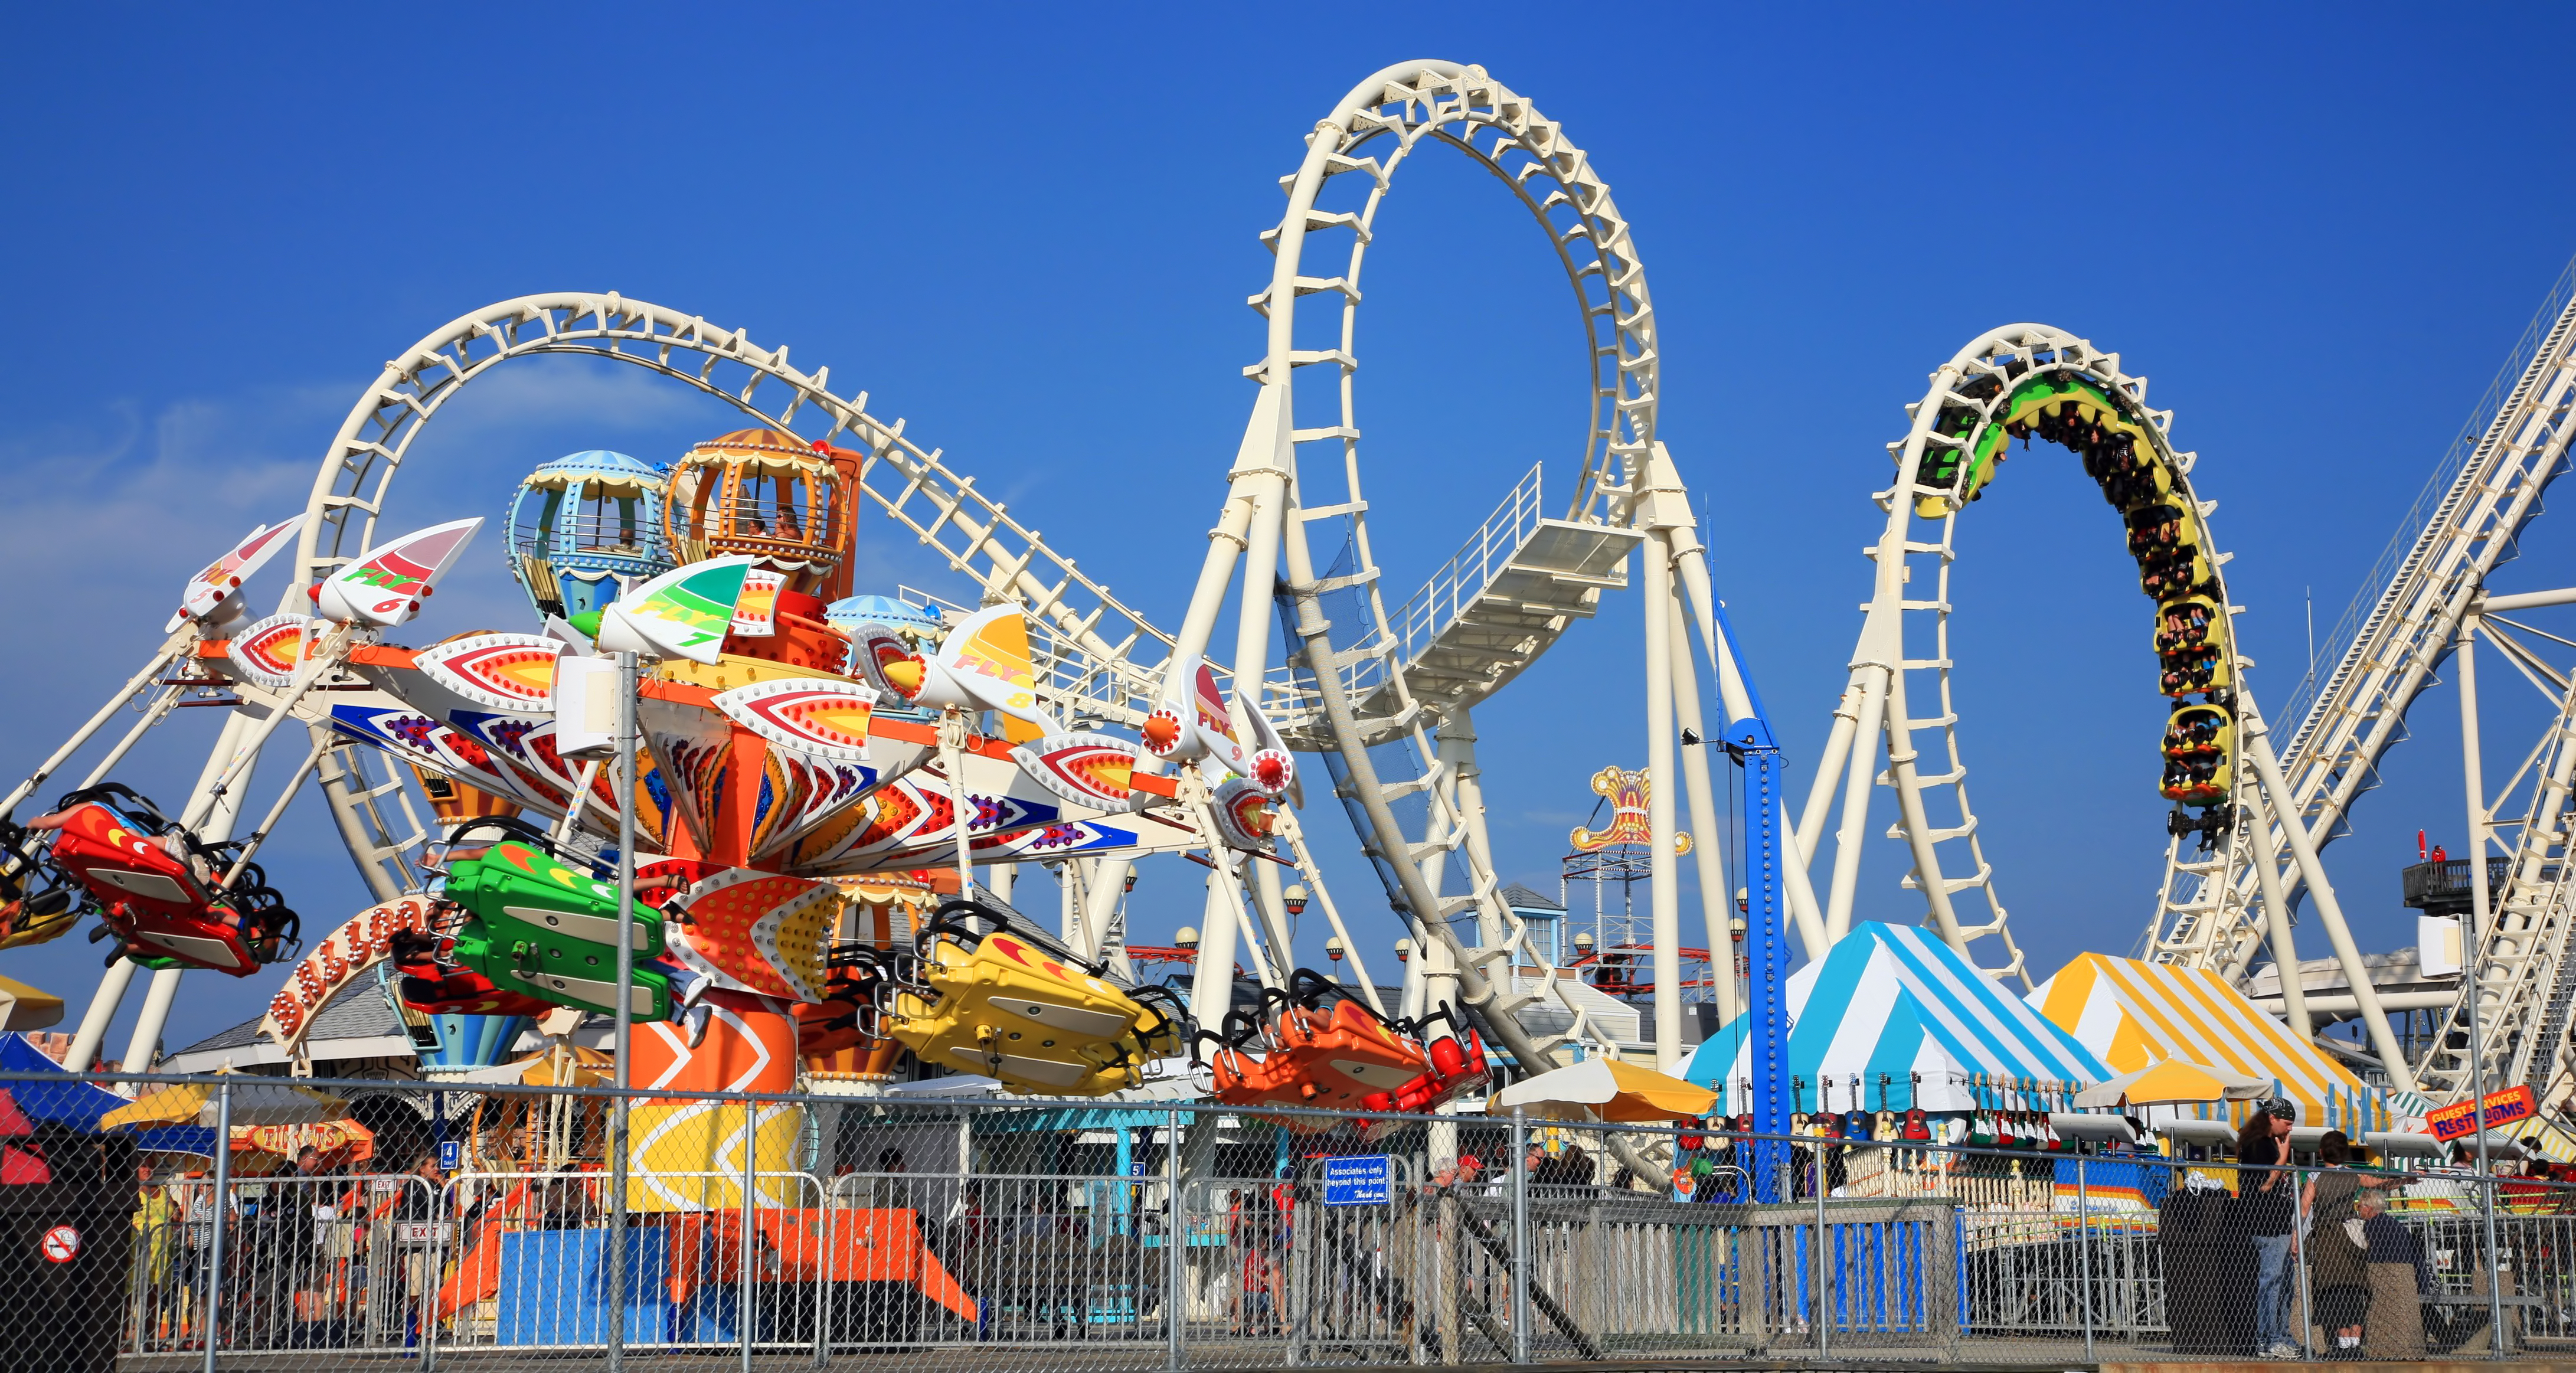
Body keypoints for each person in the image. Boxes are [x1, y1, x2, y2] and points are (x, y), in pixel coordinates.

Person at [2235, 1099, 2300, 1358]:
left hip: (2280, 1223)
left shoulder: (2268, 1142)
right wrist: (2282, 1160)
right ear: (2272, 1118)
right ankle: (2268, 1339)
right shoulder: (2258, 1145)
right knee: (2272, 1281)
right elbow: (2263, 1185)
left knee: (2286, 1283)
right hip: (2266, 1224)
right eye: (2287, 1123)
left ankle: (2282, 1335)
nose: (2290, 1130)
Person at [2299, 1132, 2374, 1357]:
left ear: (2321, 1152)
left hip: (2326, 1239)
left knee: (2333, 1290)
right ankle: (2356, 1344)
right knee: (2355, 1288)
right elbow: (2382, 1183)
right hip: (2350, 1237)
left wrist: (2296, 1237)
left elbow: (2304, 1209)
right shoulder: (2353, 1176)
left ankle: (2342, 1345)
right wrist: (2407, 1178)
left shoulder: (2315, 1176)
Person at [2355, 1191, 2427, 1359]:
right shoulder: (2396, 1224)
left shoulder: (2372, 1225)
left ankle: (2382, 1350)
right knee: (2403, 1314)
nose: (2358, 1210)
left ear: (2369, 1208)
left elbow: (2373, 1253)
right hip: (2407, 1272)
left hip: (2385, 1271)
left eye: (2359, 1206)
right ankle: (2409, 1351)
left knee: (2378, 1311)